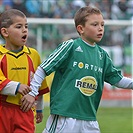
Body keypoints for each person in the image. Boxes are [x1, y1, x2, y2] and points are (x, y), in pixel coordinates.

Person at [21, 6, 133, 133]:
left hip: (89, 119)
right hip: (65, 116)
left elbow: (117, 80)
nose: (100, 28)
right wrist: (32, 92)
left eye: (102, 24)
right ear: (81, 29)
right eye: (95, 24)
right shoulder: (71, 46)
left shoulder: (102, 55)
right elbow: (43, 69)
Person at [0, 9, 49, 133]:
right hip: (2, 110)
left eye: (26, 26)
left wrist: (39, 109)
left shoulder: (33, 55)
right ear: (5, 32)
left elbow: (39, 85)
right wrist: (17, 86)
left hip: (25, 111)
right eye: (19, 26)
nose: (24, 30)